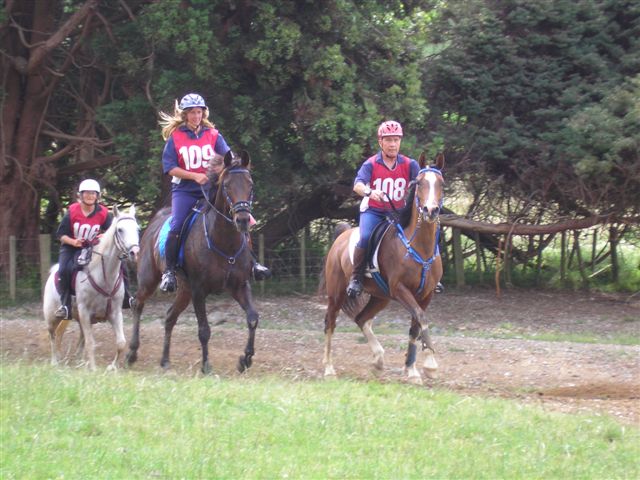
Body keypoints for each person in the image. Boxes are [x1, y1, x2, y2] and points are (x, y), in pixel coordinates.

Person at [158, 92, 270, 292]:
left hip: (211, 188)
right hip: (185, 190)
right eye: (192, 113)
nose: (196, 116)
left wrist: (234, 169)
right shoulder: (175, 138)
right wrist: (194, 176)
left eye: (199, 112)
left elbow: (229, 157)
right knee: (176, 225)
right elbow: (170, 168)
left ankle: (252, 263)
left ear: (203, 113)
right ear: (185, 115)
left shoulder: (213, 135)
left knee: (243, 216)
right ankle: (169, 272)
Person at [347, 120, 445, 297]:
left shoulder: (410, 164)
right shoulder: (371, 164)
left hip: (399, 212)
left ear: (400, 141)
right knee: (366, 236)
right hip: (374, 211)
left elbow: (423, 182)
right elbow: (357, 185)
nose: (393, 144)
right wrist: (369, 191)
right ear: (380, 142)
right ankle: (356, 278)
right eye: (388, 140)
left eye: (396, 140)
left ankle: (434, 276)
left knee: (433, 231)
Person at [54, 179, 135, 319]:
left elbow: (111, 231)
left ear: (97, 196)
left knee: (121, 264)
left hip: (94, 247)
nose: (90, 196)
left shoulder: (103, 212)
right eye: (86, 193)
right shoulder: (72, 211)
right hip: (72, 247)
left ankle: (127, 297)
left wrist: (104, 235)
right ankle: (65, 305)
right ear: (81, 195)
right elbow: (60, 235)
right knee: (63, 270)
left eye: (93, 193)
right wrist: (74, 242)